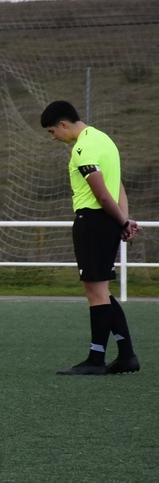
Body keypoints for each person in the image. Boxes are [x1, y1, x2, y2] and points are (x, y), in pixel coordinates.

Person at [41, 101, 140, 375]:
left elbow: (102, 193)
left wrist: (122, 221)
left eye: (52, 131)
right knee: (103, 292)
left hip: (93, 221)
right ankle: (127, 355)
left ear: (63, 124)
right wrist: (123, 220)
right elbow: (118, 185)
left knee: (95, 293)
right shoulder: (104, 139)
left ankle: (96, 359)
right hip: (108, 221)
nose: (53, 138)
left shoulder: (82, 148)